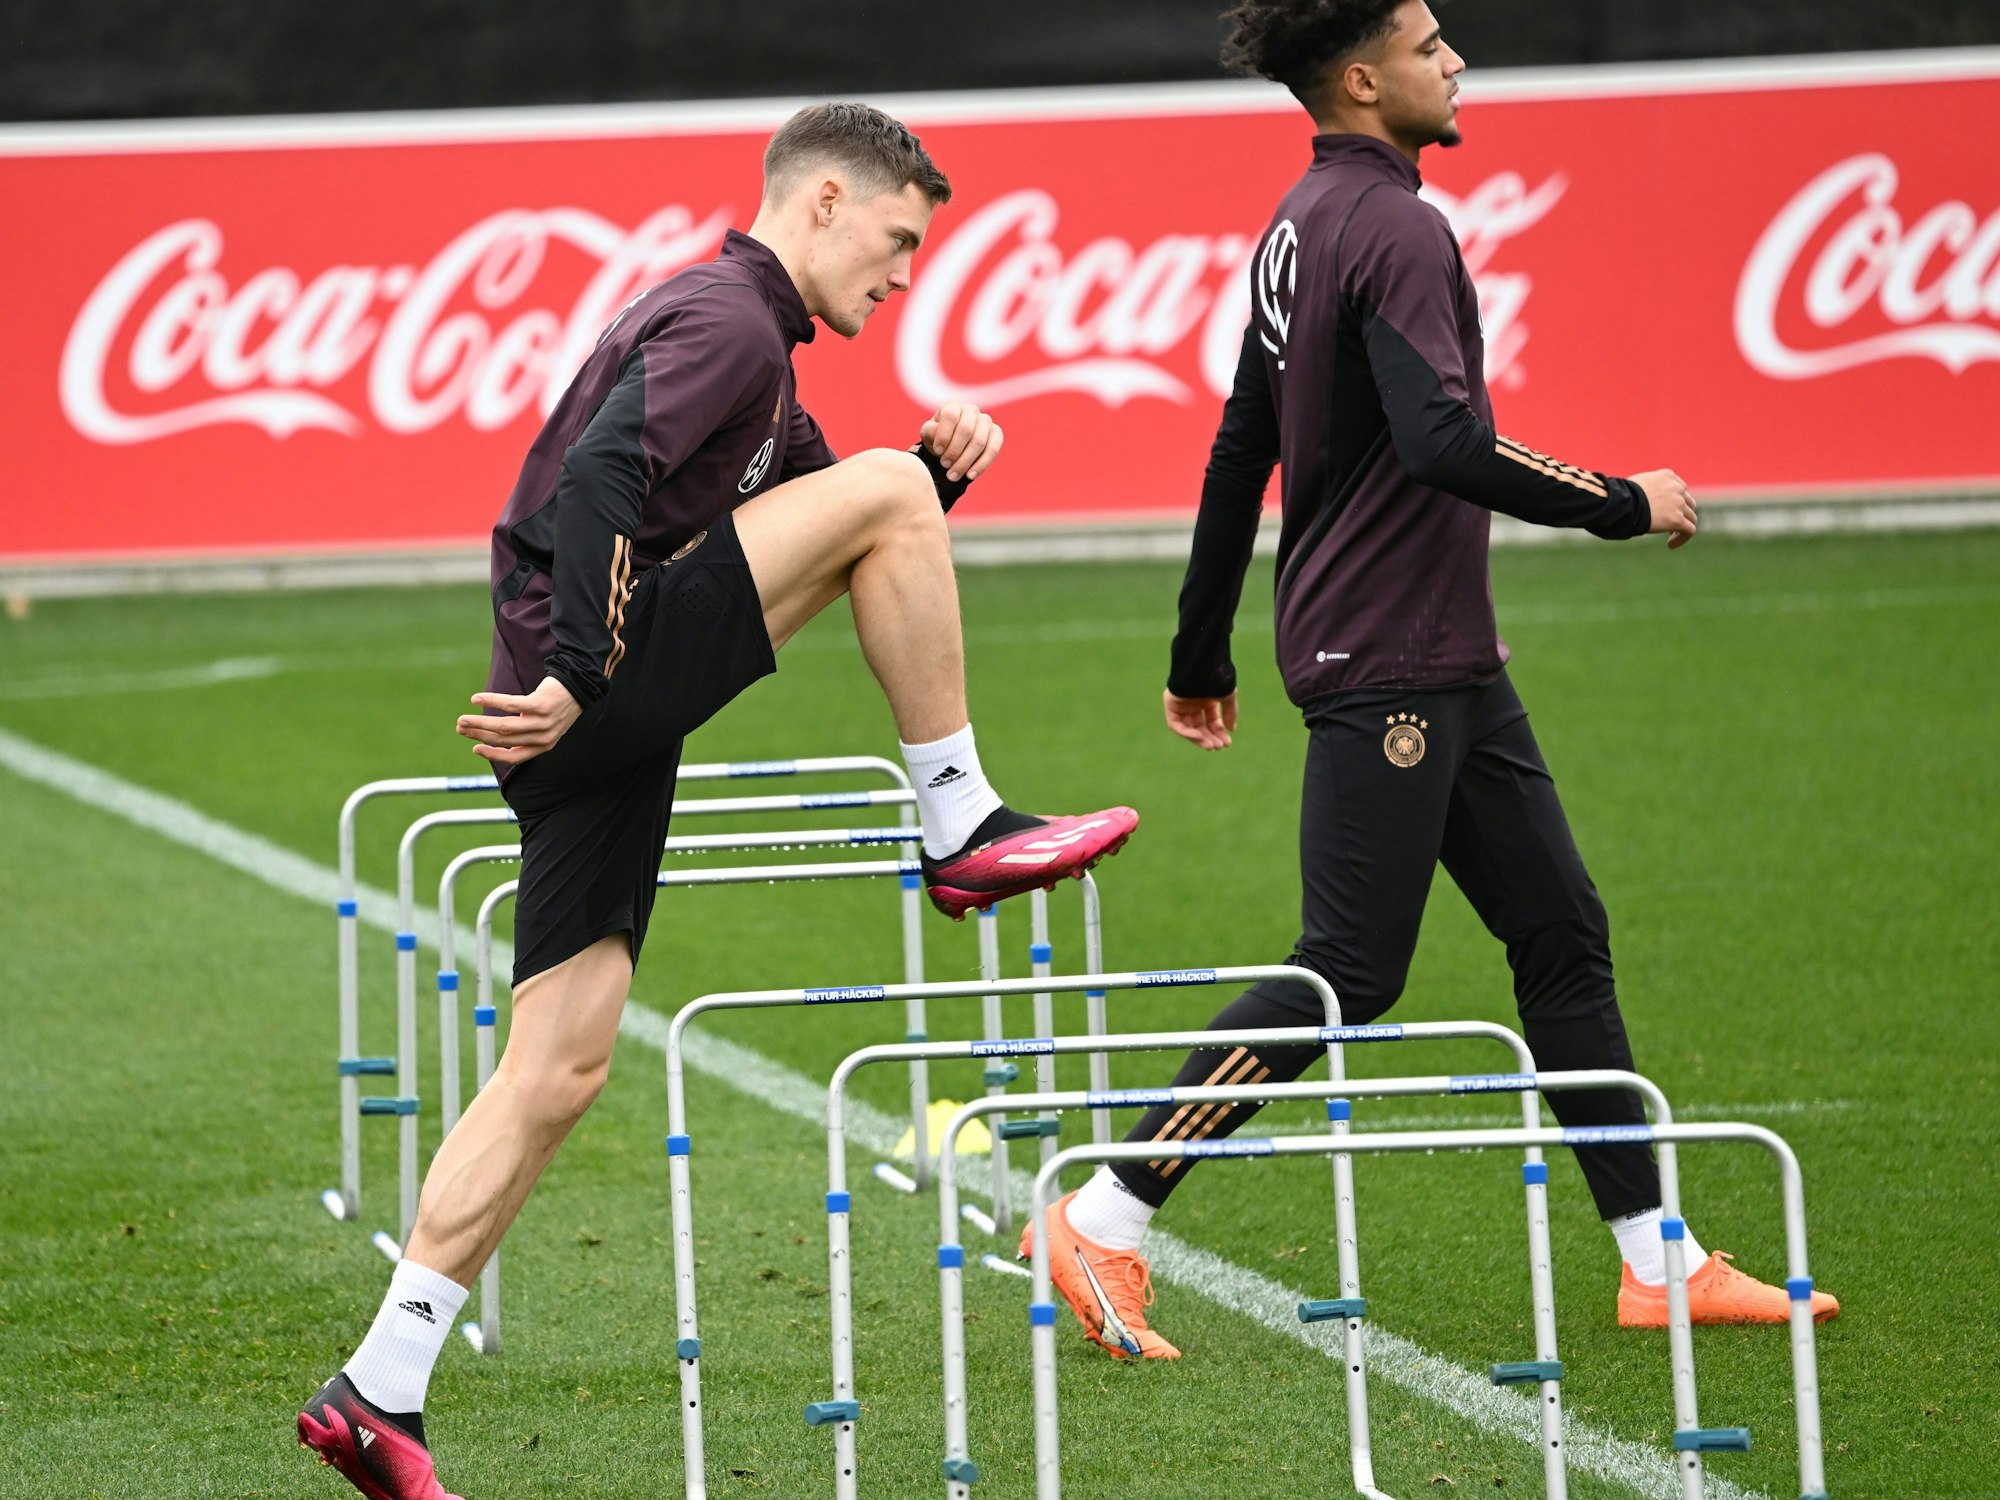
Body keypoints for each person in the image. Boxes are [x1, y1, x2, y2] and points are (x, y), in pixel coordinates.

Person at [297, 102, 1136, 1498]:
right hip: (584, 690)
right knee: (878, 492)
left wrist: (926, 487)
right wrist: (579, 672)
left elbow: (837, 541)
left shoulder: (761, 363)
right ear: (817, 202)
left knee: (558, 1066)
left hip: (581, 717)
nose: (908, 272)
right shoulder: (731, 321)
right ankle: (962, 824)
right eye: (898, 238)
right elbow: (598, 483)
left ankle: (377, 1390)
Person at [1025, 0, 1838, 1360]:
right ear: (1362, 78)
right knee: (1349, 967)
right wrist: (1618, 501)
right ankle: (1106, 1214)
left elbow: (1240, 445)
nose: (1453, 59)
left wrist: (1199, 644)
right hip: (1386, 653)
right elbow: (1447, 438)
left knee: (1561, 934)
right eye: (1428, 43)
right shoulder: (1394, 225)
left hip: (1439, 653)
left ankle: (1659, 1260)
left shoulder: (1301, 223)